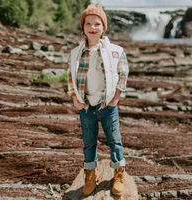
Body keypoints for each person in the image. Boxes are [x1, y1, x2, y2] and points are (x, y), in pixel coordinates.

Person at [67, 3, 129, 196]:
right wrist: (74, 98)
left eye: (97, 24)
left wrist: (115, 98)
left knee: (114, 140)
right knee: (88, 142)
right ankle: (90, 173)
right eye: (88, 24)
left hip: (107, 105)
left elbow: (123, 74)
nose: (92, 28)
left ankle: (119, 172)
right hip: (86, 106)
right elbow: (70, 76)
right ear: (83, 27)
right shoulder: (75, 53)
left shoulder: (116, 51)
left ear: (103, 27)